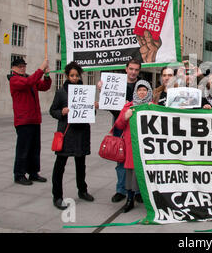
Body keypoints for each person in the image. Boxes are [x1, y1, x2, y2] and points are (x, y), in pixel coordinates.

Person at [49, 62, 97, 210]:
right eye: (72, 75)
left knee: (81, 164)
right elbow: (53, 111)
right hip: (67, 133)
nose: (75, 78)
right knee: (60, 165)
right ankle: (57, 196)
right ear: (67, 76)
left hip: (81, 133)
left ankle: (82, 190)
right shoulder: (61, 92)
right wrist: (61, 112)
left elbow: (90, 114)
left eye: (77, 75)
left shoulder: (85, 91)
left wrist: (93, 108)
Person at [97, 59, 143, 203]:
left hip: (137, 126)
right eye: (131, 69)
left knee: (138, 159)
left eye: (136, 69)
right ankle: (121, 190)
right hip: (120, 123)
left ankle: (137, 191)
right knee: (120, 157)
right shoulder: (116, 82)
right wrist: (102, 90)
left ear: (139, 71)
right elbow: (109, 103)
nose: (133, 72)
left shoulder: (142, 85)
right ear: (126, 69)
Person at [8, 57, 52, 186]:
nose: (22, 68)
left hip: (34, 119)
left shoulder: (28, 78)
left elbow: (44, 86)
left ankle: (33, 173)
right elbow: (29, 83)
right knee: (23, 149)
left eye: (23, 66)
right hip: (23, 120)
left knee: (34, 148)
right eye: (19, 66)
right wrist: (41, 69)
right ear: (13, 68)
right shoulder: (14, 80)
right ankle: (19, 174)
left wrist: (47, 76)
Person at [114, 80, 153, 212]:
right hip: (132, 146)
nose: (142, 92)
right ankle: (130, 199)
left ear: (149, 92)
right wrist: (125, 116)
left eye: (145, 90)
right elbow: (119, 125)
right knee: (131, 173)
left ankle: (145, 197)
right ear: (135, 92)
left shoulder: (152, 106)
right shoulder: (128, 107)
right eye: (139, 90)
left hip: (148, 146)